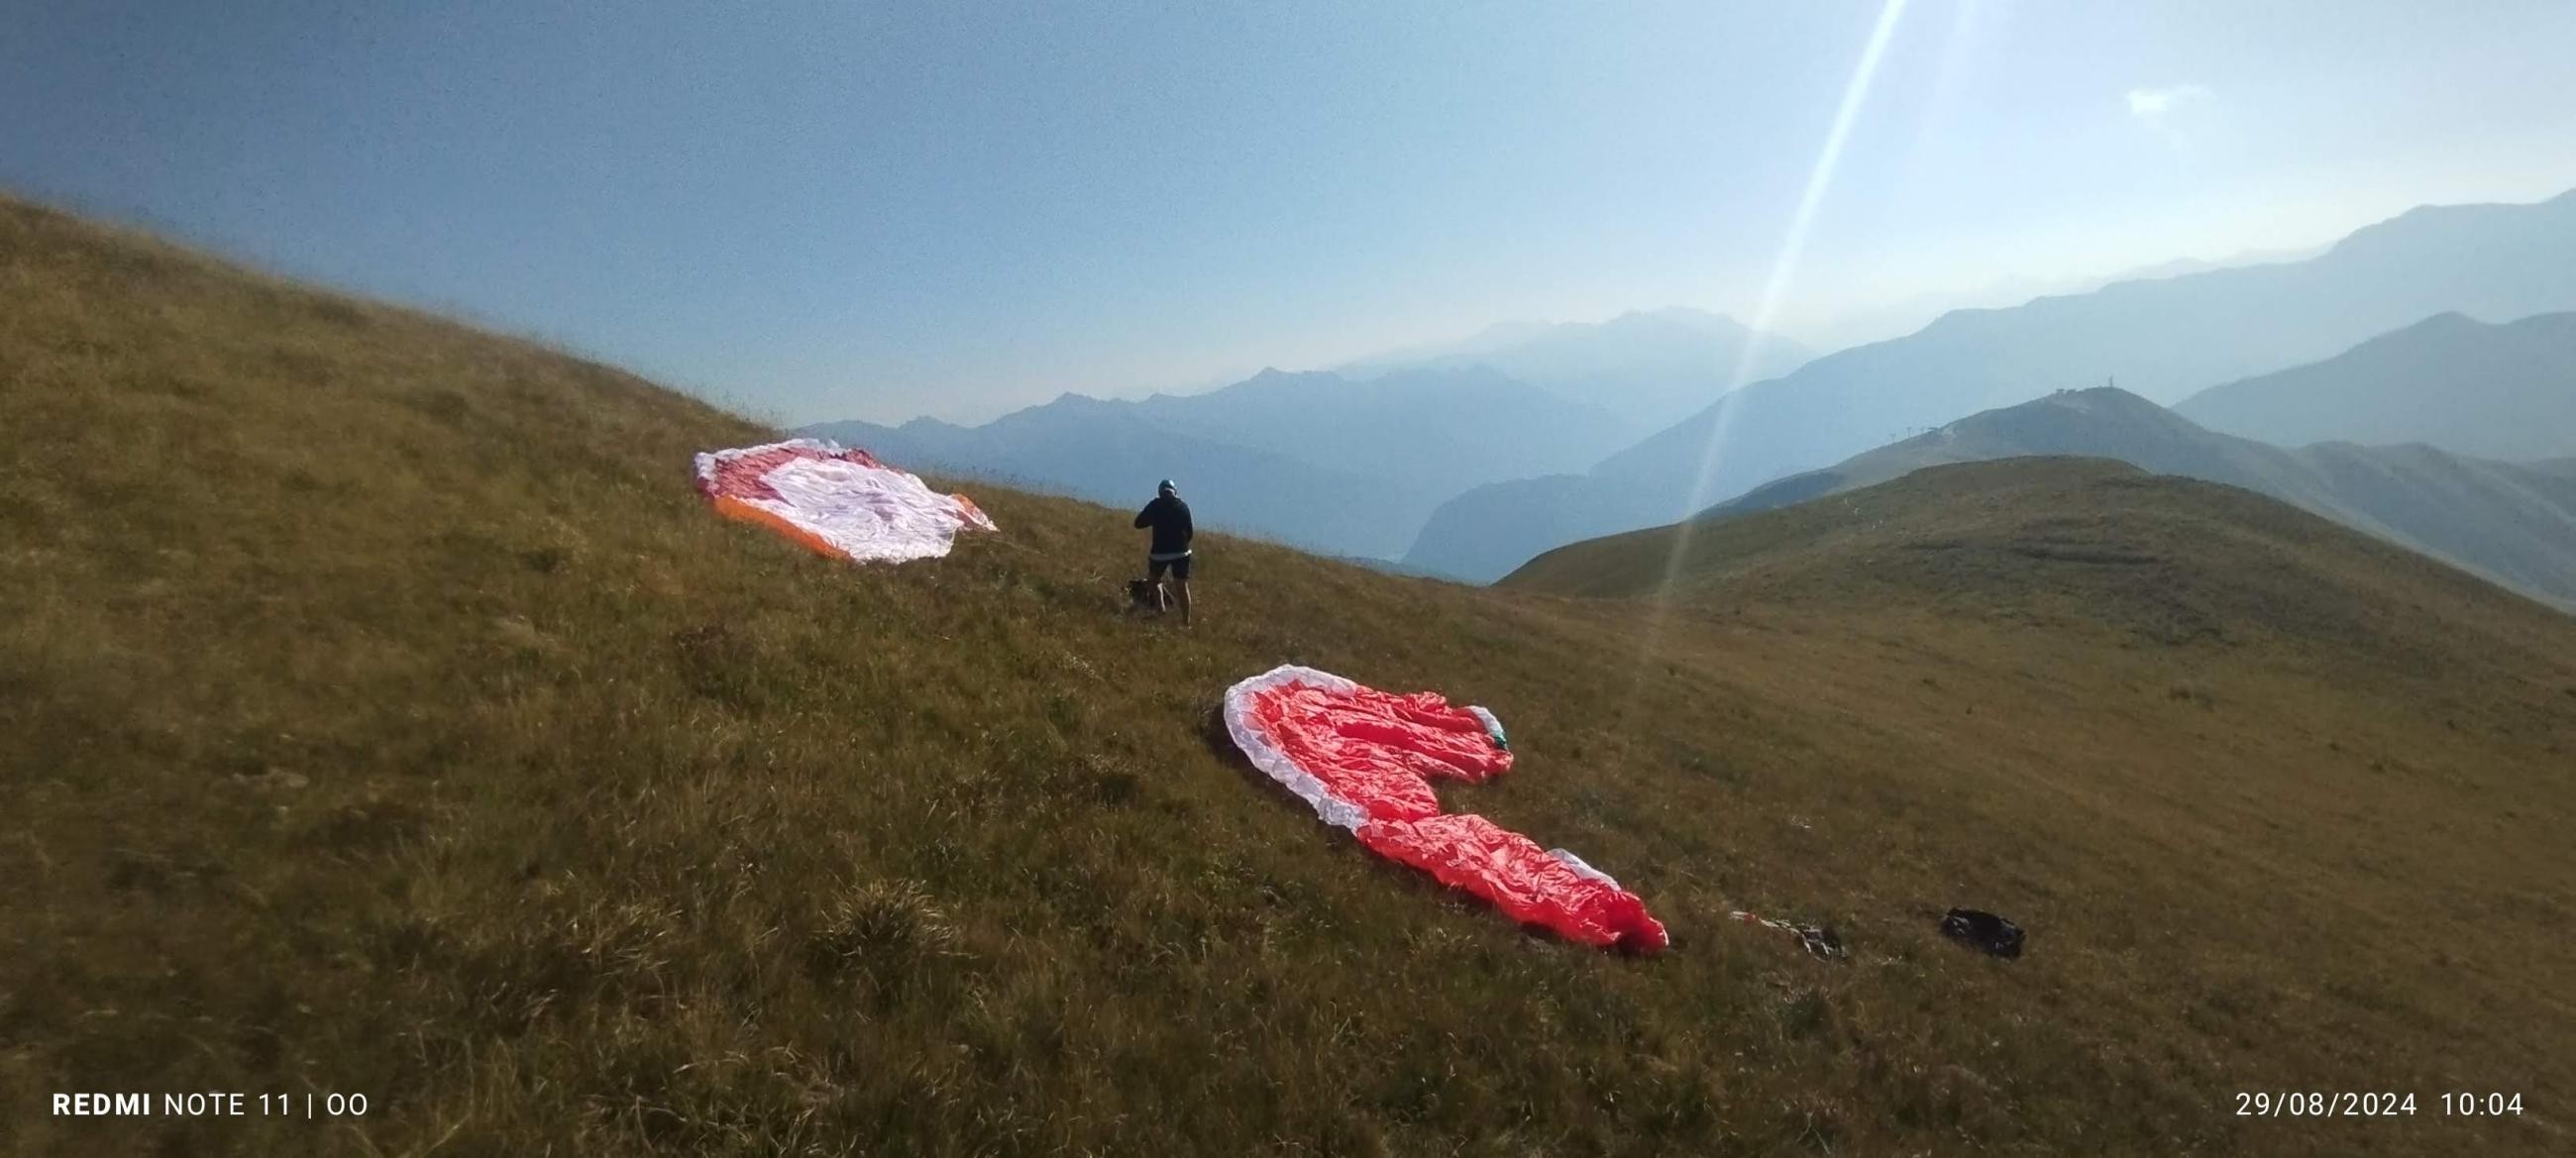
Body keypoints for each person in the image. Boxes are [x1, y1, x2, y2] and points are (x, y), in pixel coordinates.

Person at [1133, 479, 1195, 627]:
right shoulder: (1183, 506)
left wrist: (1153, 519)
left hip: (1159, 554)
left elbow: (1138, 523)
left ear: (1160, 492)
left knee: (1154, 581)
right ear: (1175, 492)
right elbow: (1190, 532)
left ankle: (1160, 610)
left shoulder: (1155, 505)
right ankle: (1186, 623)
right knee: (1182, 586)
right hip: (1181, 553)